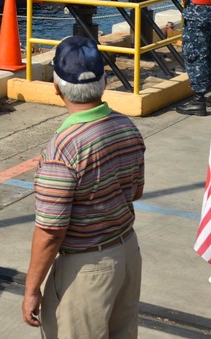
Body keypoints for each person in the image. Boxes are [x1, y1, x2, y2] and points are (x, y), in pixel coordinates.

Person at [23, 36, 145, 338]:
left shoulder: (62, 150)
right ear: (103, 81)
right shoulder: (127, 126)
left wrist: (31, 289)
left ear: (56, 86)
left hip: (87, 267)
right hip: (127, 252)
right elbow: (136, 191)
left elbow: (51, 232)